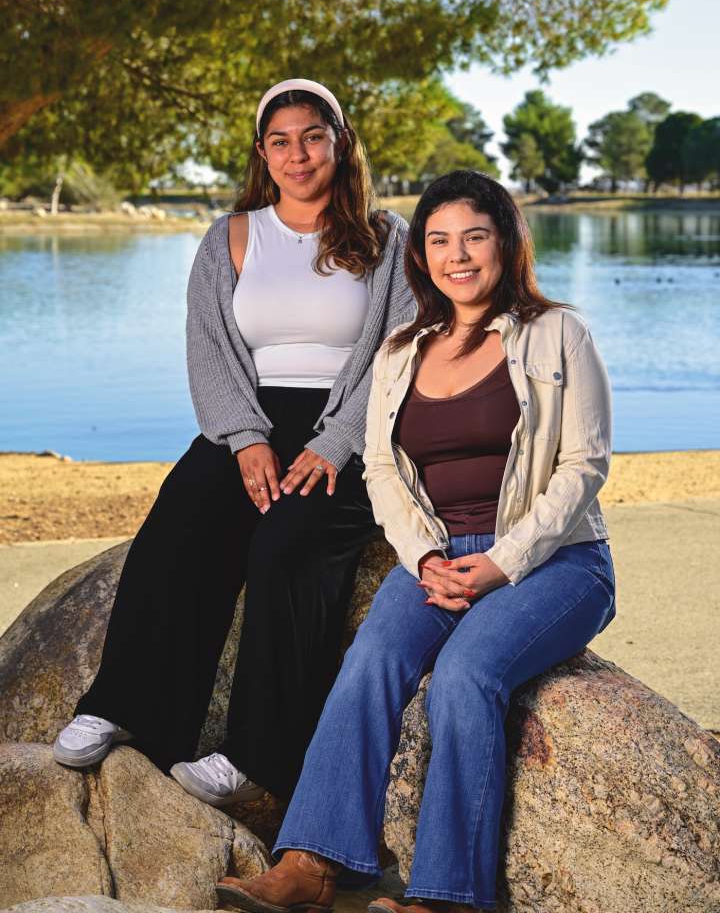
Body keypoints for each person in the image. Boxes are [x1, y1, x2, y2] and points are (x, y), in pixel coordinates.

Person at [215, 170, 615, 911]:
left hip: (557, 561)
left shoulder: (559, 333)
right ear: (421, 256)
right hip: (436, 555)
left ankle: (446, 896)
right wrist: (425, 557)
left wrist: (500, 563)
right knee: (370, 662)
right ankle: (313, 863)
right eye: (438, 241)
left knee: (466, 674)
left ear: (506, 243)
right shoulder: (401, 349)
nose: (456, 256)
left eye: (474, 237)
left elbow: (584, 466)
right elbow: (379, 468)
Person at [52, 78, 414, 806]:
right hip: (246, 418)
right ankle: (128, 709)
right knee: (180, 519)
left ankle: (255, 757)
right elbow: (209, 348)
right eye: (280, 142)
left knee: (287, 545)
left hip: (353, 427)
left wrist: (338, 440)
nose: (297, 155)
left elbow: (403, 350)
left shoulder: (388, 237)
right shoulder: (231, 236)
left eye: (312, 137)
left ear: (340, 143)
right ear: (261, 152)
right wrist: (246, 438)